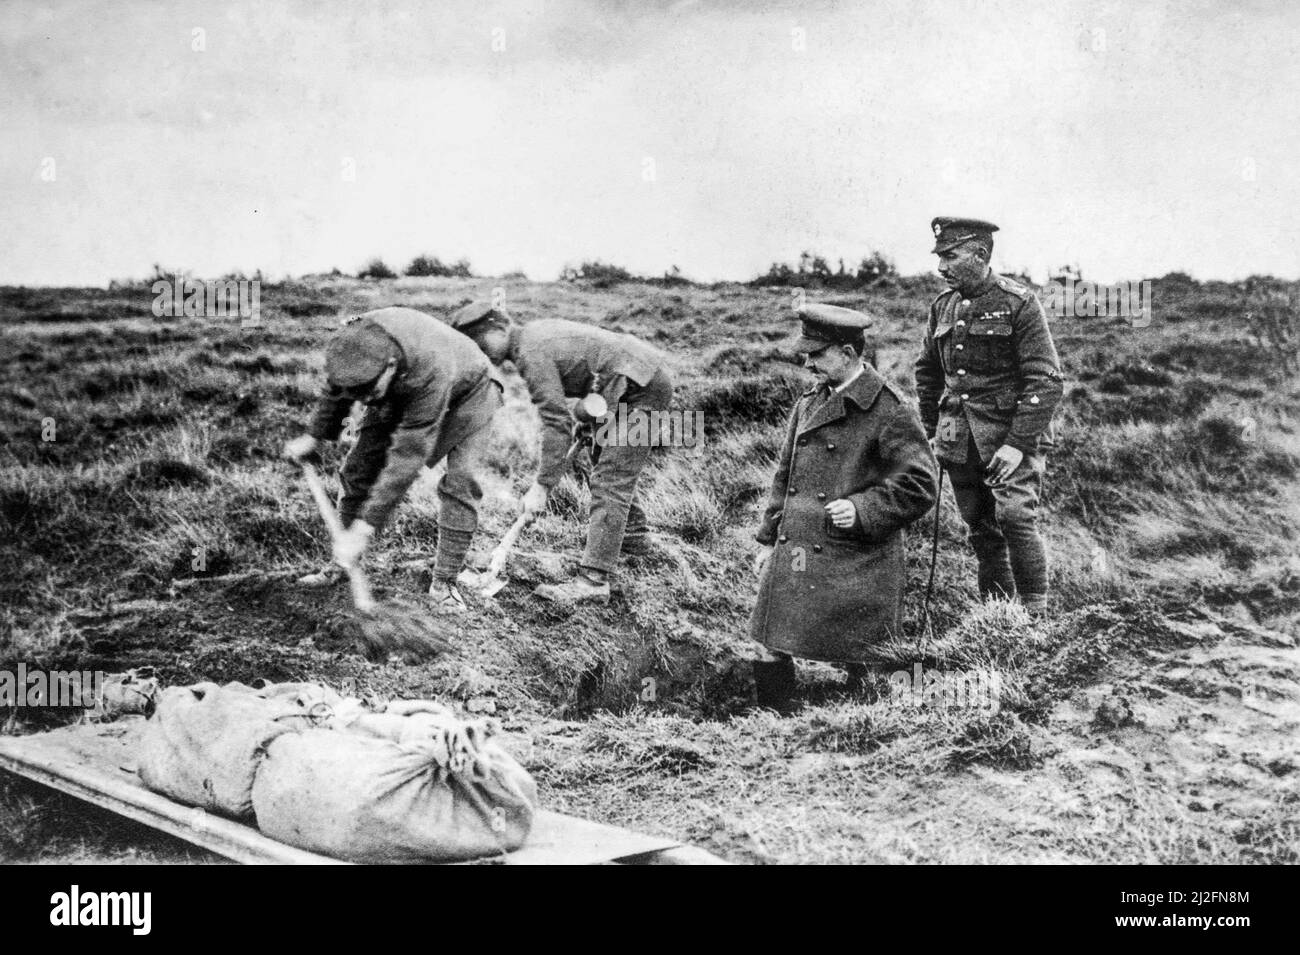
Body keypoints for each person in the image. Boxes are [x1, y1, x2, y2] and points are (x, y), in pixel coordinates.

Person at [750, 304, 938, 707]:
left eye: (817, 355)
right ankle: (770, 725)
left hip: (856, 556)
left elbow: (921, 484)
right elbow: (784, 477)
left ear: (848, 353)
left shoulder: (888, 409)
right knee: (767, 642)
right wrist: (768, 541)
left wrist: (863, 509)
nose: (808, 363)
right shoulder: (807, 403)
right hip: (797, 547)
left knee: (863, 658)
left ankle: (864, 729)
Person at [282, 306, 502, 613]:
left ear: (388, 366)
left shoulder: (429, 369)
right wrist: (314, 436)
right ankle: (342, 565)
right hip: (402, 387)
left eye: (367, 392)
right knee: (358, 468)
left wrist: (364, 528)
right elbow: (337, 388)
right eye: (357, 394)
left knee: (460, 482)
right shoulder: (354, 345)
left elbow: (407, 457)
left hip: (470, 390)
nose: (362, 401)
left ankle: (444, 584)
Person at [451, 302, 672, 604]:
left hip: (642, 388)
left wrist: (541, 486)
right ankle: (633, 537)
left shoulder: (530, 352)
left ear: (500, 328)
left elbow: (556, 423)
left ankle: (593, 581)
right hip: (628, 381)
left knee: (611, 477)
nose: (480, 352)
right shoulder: (530, 339)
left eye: (480, 342)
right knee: (602, 459)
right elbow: (594, 370)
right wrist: (591, 418)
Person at [913, 217, 1064, 617]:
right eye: (939, 256)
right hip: (958, 438)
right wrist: (933, 431)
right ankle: (996, 617)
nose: (941, 266)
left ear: (980, 254)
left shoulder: (1018, 303)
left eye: (950, 255)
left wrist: (1017, 446)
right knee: (981, 529)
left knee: (1015, 518)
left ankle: (1036, 618)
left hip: (1008, 436)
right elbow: (927, 372)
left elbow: (1046, 380)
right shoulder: (942, 307)